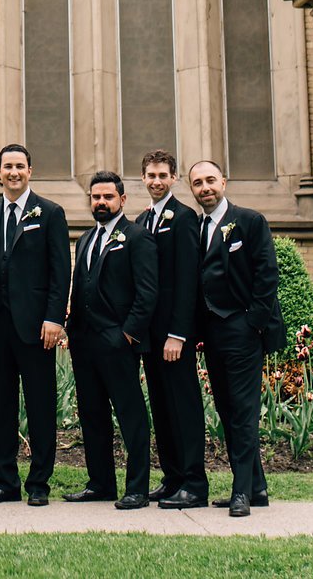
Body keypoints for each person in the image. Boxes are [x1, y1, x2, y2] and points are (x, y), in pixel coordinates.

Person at [0, 143, 69, 506]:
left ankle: (39, 483)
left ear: (30, 170)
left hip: (36, 326)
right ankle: (5, 481)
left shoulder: (50, 212)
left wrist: (54, 318)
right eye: (7, 166)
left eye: (19, 166)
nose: (13, 172)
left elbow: (61, 270)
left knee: (41, 405)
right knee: (0, 405)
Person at [188, 159, 281, 517]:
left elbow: (266, 273)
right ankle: (256, 487)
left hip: (242, 330)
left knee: (243, 412)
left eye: (210, 180)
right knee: (227, 410)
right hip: (211, 333)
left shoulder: (249, 221)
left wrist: (253, 323)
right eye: (198, 183)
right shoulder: (197, 227)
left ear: (223, 182)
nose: (205, 188)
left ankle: (240, 492)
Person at [64, 170, 157, 510]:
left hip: (118, 343)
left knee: (131, 416)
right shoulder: (86, 238)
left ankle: (137, 488)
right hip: (85, 343)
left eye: (107, 197)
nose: (100, 202)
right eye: (96, 197)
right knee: (92, 414)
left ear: (122, 199)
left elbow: (147, 294)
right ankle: (100, 483)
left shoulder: (136, 237)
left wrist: (127, 335)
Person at [137, 148, 206, 508]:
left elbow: (187, 280)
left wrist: (178, 333)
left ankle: (194, 483)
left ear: (173, 178)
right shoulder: (141, 220)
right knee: (162, 408)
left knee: (184, 406)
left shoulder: (184, 218)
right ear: (143, 178)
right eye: (151, 175)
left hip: (173, 336)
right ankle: (172, 477)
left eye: (163, 175)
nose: (156, 181)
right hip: (150, 336)